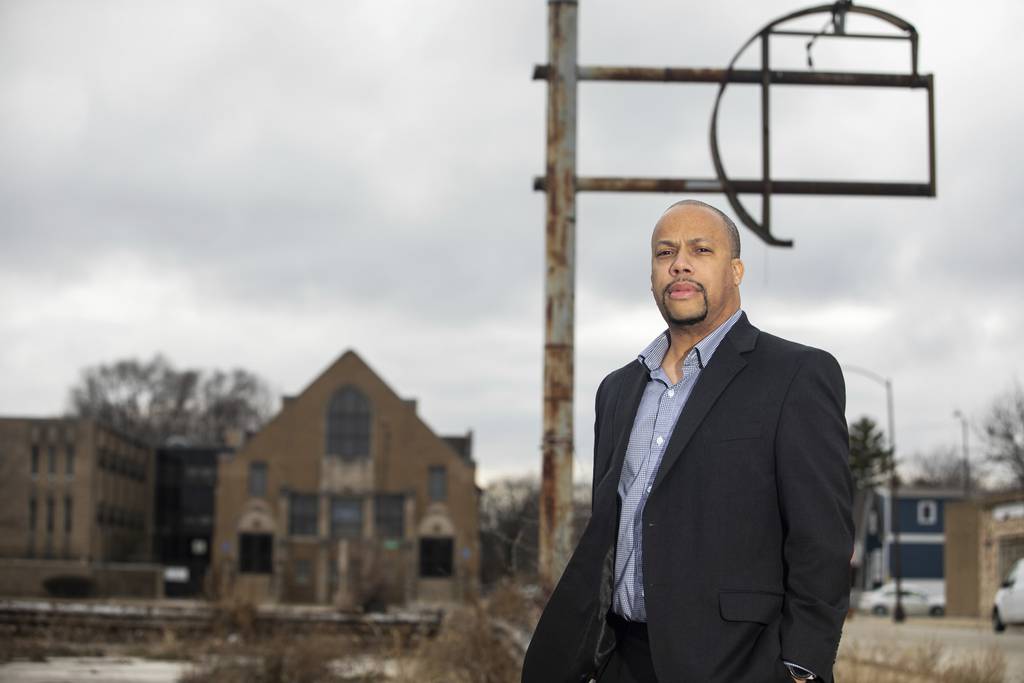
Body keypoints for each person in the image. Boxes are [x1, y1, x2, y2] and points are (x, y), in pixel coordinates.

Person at [521, 200, 853, 683]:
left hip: (737, 664)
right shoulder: (616, 390)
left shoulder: (796, 375)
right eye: (665, 253)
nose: (680, 263)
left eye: (701, 249)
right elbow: (610, 531)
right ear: (653, 274)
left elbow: (822, 539)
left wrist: (800, 668)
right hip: (622, 661)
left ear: (735, 270)